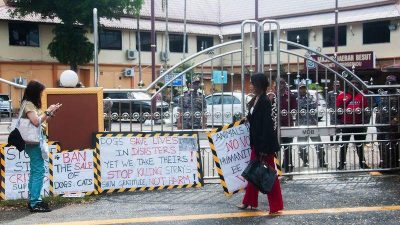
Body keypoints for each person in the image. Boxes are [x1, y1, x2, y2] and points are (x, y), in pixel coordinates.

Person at [237, 73, 283, 214]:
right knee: (253, 172)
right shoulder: (256, 99)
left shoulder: (264, 101)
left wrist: (263, 148)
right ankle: (249, 201)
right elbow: (254, 116)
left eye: (252, 83)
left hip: (264, 146)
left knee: (269, 175)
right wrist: (247, 118)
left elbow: (267, 126)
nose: (250, 86)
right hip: (256, 144)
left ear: (259, 85)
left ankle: (275, 206)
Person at [22, 80, 62, 212]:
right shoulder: (28, 104)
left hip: (36, 141)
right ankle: (35, 202)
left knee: (36, 171)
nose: (41, 95)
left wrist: (51, 112)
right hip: (33, 142)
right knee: (38, 171)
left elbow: (43, 122)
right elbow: (35, 121)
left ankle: (34, 200)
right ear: (35, 92)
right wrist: (48, 111)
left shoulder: (31, 104)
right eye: (40, 92)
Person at [336, 78, 369, 170]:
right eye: (352, 83)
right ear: (348, 84)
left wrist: (365, 124)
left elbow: (366, 110)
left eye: (356, 83)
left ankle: (362, 163)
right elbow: (338, 109)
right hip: (346, 124)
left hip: (358, 124)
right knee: (344, 145)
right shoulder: (342, 95)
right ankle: (342, 163)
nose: (354, 84)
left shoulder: (361, 96)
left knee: (360, 145)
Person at [296, 83, 326, 168]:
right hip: (302, 126)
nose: (302, 90)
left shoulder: (311, 98)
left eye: (304, 88)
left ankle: (322, 161)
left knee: (318, 144)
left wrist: (305, 106)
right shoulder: (296, 99)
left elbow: (314, 106)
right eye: (301, 88)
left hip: (312, 124)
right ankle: (305, 161)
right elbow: (297, 108)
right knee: (301, 146)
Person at [375, 75, 400, 168]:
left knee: (393, 145)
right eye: (388, 82)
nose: (389, 84)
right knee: (381, 144)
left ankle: (393, 164)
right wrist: (377, 122)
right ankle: (384, 163)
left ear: (395, 84)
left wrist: (396, 120)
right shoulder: (382, 94)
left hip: (393, 125)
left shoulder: (398, 94)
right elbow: (379, 108)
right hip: (381, 124)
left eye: (392, 83)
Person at [278, 79, 297, 172]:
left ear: (285, 85)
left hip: (287, 125)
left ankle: (289, 166)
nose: (280, 86)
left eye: (282, 84)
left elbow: (294, 109)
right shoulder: (272, 96)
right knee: (276, 148)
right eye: (278, 84)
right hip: (276, 126)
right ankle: (277, 168)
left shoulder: (290, 96)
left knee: (287, 147)